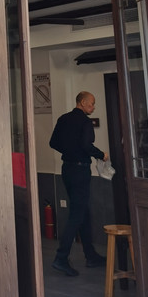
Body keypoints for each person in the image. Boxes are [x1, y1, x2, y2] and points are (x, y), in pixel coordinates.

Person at [49, 91, 108, 277]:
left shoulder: (63, 119)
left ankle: (90, 255)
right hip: (80, 170)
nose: (93, 107)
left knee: (83, 211)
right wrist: (101, 155)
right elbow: (86, 145)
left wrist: (69, 151)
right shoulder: (85, 122)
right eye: (92, 103)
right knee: (77, 214)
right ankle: (61, 257)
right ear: (82, 102)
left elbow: (53, 142)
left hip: (67, 169)